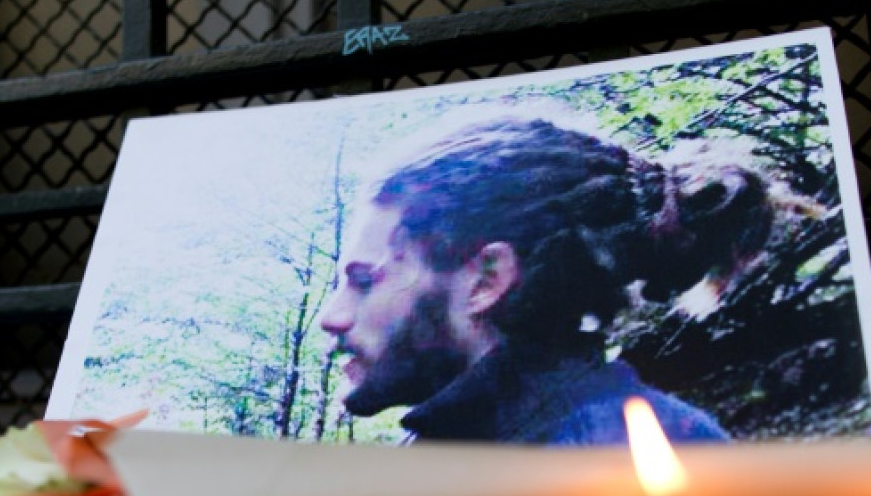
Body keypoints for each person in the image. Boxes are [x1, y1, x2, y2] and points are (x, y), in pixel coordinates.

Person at [317, 116, 743, 446]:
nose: (331, 317)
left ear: (486, 280)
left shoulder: (638, 459)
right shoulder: (460, 446)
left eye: (364, 281)